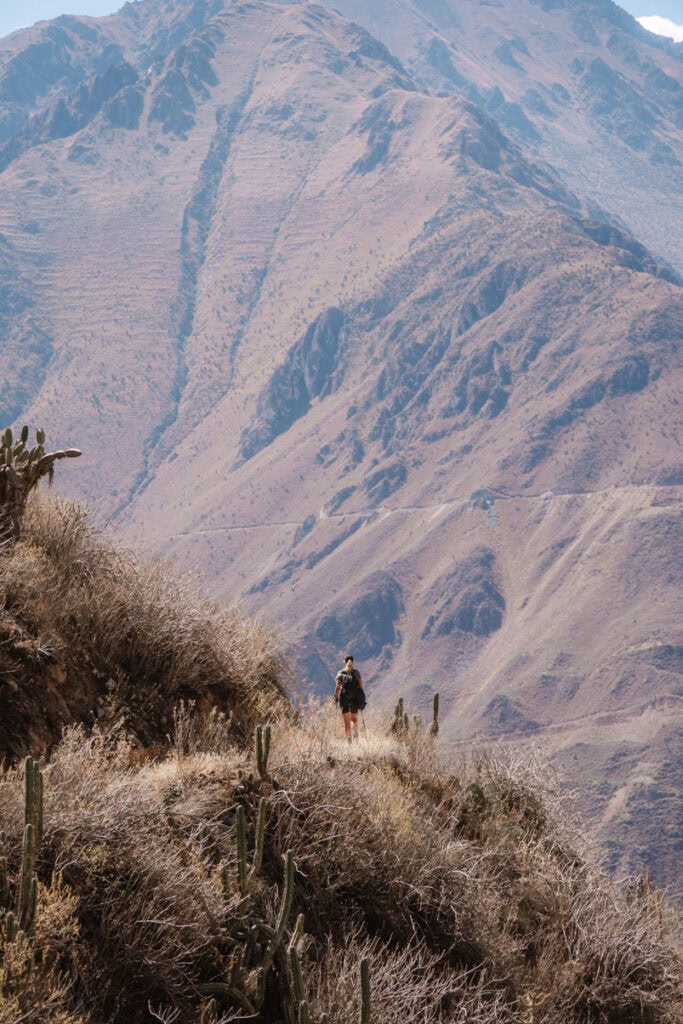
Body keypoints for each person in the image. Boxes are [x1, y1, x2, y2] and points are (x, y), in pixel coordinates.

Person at [334, 655, 365, 743]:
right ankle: (356, 738)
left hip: (344, 699)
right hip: (355, 699)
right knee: (354, 719)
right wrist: (361, 699)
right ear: (352, 662)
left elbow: (337, 688)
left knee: (347, 722)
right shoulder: (357, 673)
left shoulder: (340, 673)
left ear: (345, 662)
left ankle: (349, 741)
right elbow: (361, 687)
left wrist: (336, 697)